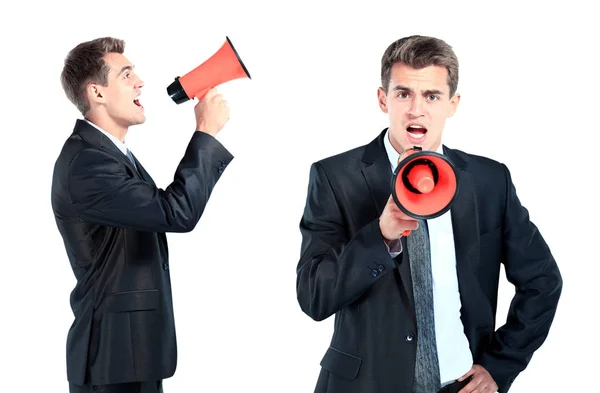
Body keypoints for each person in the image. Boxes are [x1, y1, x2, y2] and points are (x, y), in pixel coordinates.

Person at [296, 35, 562, 393]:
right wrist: (380, 236)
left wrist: (500, 366)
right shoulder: (334, 177)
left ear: (452, 104)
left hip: (459, 386)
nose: (416, 109)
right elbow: (314, 296)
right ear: (382, 99)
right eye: (403, 93)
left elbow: (543, 281)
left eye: (432, 96)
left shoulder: (489, 180)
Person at [52, 37, 233, 393]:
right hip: (112, 360)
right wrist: (206, 132)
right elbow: (176, 211)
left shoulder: (110, 155)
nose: (140, 82)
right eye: (126, 75)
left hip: (130, 355)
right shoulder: (88, 163)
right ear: (97, 93)